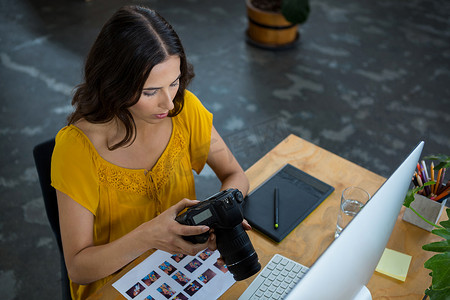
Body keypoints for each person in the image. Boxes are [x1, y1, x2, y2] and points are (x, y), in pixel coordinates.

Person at [50, 5, 250, 300]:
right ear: (114, 83)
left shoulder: (185, 109)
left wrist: (221, 213)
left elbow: (235, 175)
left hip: (183, 266)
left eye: (174, 82)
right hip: (114, 284)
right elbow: (79, 268)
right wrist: (148, 236)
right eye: (149, 92)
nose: (168, 104)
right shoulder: (75, 150)